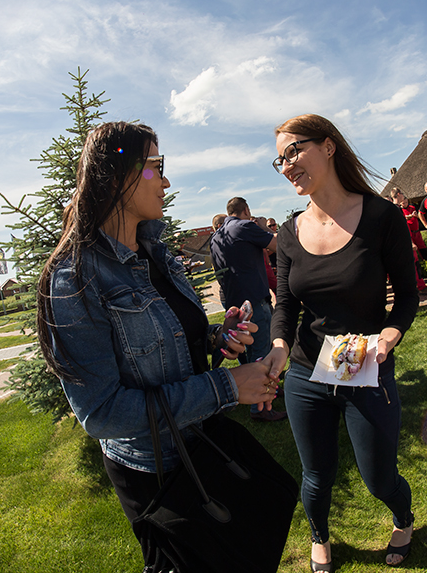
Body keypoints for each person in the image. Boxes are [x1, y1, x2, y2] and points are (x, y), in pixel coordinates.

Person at [37, 121, 278, 572]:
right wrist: (227, 387)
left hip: (202, 441)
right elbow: (102, 413)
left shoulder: (157, 253)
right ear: (119, 175)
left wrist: (215, 338)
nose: (165, 180)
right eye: (155, 166)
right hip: (156, 472)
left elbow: (168, 340)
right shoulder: (75, 278)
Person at [264, 114, 419, 570]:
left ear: (328, 147)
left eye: (293, 151)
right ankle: (319, 538)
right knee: (316, 475)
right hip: (307, 374)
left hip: (366, 369)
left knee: (378, 478)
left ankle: (404, 519)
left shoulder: (381, 216)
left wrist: (388, 336)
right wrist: (277, 346)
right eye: (280, 160)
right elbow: (286, 306)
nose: (287, 165)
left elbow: (408, 294)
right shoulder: (288, 232)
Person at [210, 197, 287, 422]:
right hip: (255, 300)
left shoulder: (216, 236)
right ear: (246, 210)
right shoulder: (244, 226)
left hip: (234, 305)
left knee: (246, 354)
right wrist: (263, 227)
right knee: (262, 350)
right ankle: (261, 408)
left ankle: (259, 394)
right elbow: (278, 245)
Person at [390, 187, 427, 294]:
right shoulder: (396, 210)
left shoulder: (393, 209)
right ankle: (421, 287)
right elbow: (400, 228)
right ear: (399, 194)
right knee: (414, 264)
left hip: (400, 243)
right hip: (405, 242)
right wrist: (410, 242)